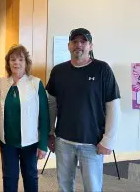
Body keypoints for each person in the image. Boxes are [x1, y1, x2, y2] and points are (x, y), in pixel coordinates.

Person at [46, 28, 121, 192]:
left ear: (91, 46)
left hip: (92, 143)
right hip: (63, 141)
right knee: (64, 186)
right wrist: (50, 132)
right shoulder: (58, 71)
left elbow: (113, 106)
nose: (78, 45)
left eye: (83, 41)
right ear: (68, 45)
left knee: (92, 188)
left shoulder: (102, 70)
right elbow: (51, 104)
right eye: (74, 41)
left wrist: (108, 139)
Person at [0, 44, 50, 192]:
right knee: (9, 177)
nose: (16, 63)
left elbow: (44, 115)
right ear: (8, 63)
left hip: (30, 142)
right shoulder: (2, 83)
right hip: (7, 141)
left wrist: (43, 144)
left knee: (30, 177)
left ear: (26, 62)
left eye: (20, 59)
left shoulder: (36, 83)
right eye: (12, 59)